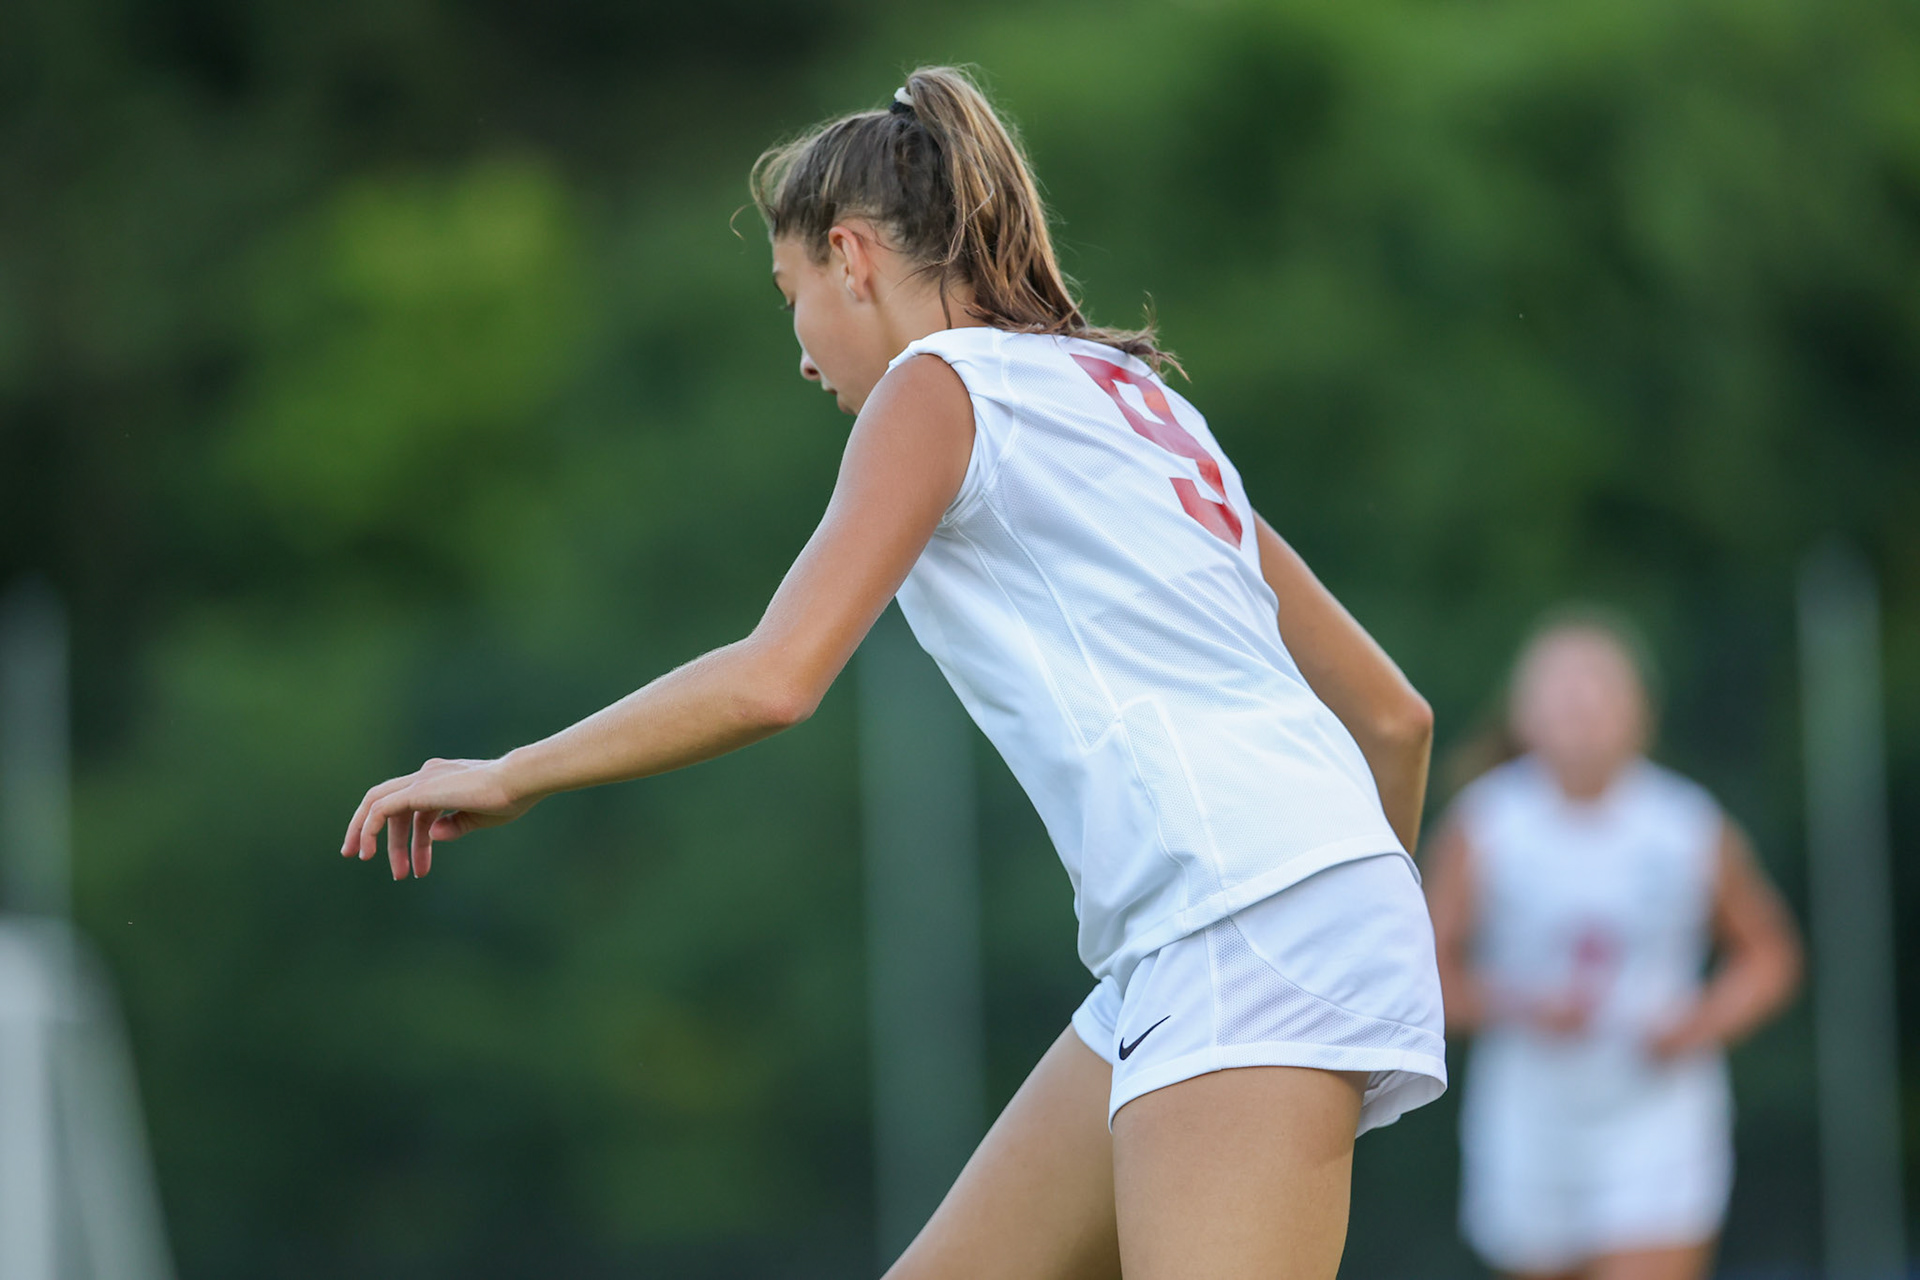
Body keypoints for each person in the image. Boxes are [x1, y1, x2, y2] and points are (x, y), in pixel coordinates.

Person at [338, 67, 1446, 1279]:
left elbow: (774, 677)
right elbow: (1393, 717)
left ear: (852, 256)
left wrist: (514, 772)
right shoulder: (1132, 396)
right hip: (1237, 923)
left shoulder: (937, 386)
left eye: (791, 293)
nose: (801, 351)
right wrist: (1351, 941)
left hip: (1238, 917)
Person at [1423, 611, 1802, 1280]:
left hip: (1657, 1116)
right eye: (1562, 691)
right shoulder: (1485, 827)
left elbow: (1770, 954)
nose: (1581, 709)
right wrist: (1519, 1005)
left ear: (1639, 712)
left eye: (1598, 690)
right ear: (1524, 714)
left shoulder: (1686, 825)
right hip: (1531, 1119)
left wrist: (1700, 1022)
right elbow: (1423, 979)